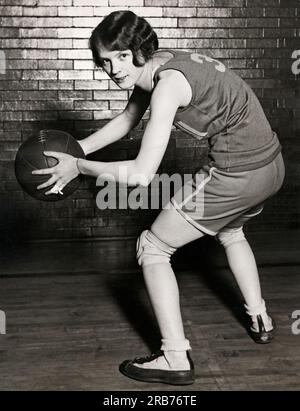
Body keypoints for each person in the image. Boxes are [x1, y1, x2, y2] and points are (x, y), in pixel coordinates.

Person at [32, 11, 285, 385]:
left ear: (138, 47)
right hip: (271, 168)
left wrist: (80, 169)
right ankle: (260, 316)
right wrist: (74, 151)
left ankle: (174, 357)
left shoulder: (167, 86)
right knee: (231, 233)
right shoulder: (159, 62)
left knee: (152, 247)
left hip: (238, 175)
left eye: (120, 56)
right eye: (104, 60)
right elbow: (126, 120)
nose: (114, 68)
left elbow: (141, 174)